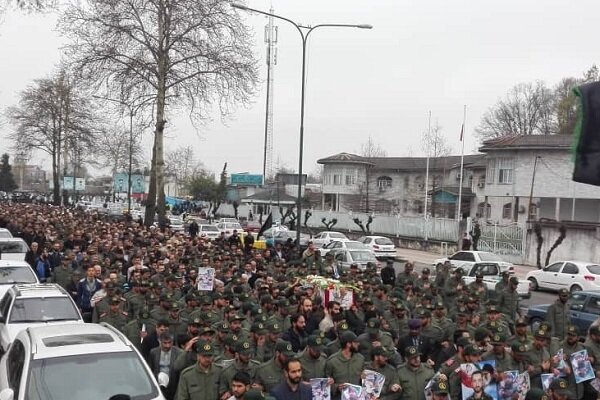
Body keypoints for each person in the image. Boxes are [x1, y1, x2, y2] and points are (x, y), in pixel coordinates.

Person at [149, 332, 183, 400]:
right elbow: (151, 369)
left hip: (173, 386)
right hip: (158, 386)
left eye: (169, 342)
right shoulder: (153, 352)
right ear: (159, 341)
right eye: (165, 343)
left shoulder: (179, 353)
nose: (167, 346)